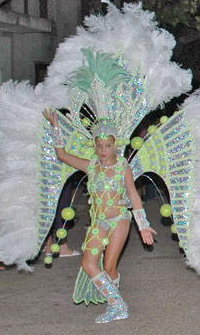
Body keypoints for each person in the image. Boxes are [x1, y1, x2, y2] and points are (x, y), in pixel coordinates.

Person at [44, 109, 156, 323]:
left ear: (115, 146)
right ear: (95, 146)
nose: (103, 150)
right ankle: (117, 304)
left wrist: (142, 224)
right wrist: (56, 127)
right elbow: (62, 155)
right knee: (88, 263)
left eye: (107, 146)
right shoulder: (91, 166)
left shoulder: (123, 167)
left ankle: (115, 306)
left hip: (119, 221)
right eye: (99, 145)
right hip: (98, 222)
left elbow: (133, 195)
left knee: (110, 267)